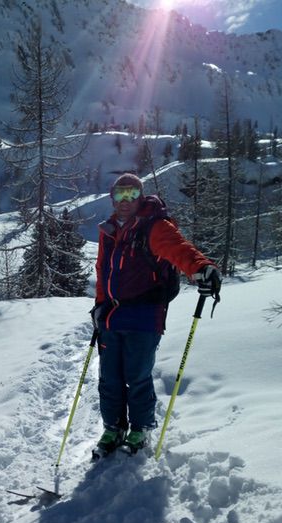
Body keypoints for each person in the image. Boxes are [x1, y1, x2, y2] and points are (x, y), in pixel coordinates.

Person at [92, 172, 221, 455]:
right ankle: (113, 428)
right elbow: (103, 271)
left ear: (140, 196)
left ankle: (139, 429)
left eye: (132, 194)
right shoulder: (109, 229)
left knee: (137, 376)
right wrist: (100, 305)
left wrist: (201, 267)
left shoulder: (155, 225)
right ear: (112, 198)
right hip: (111, 317)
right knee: (109, 378)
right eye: (119, 195)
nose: (125, 201)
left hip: (144, 316)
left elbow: (179, 248)